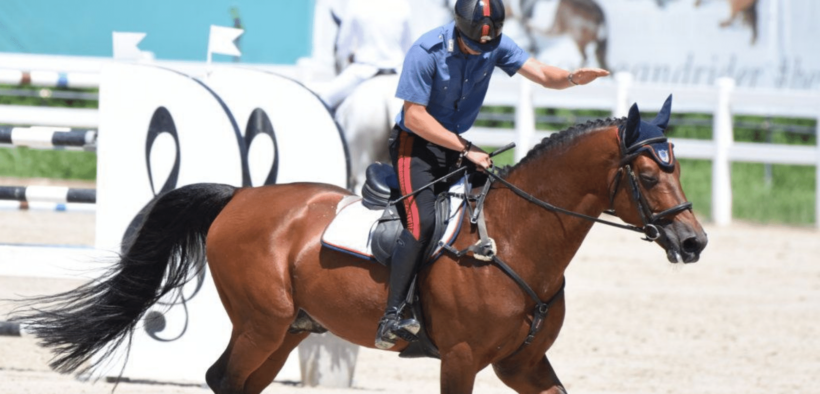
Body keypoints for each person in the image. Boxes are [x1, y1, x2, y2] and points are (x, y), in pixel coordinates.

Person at [374, 0, 610, 350]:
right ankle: (392, 315)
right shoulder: (426, 51)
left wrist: (572, 78)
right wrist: (466, 148)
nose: (480, 51)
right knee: (422, 221)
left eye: (487, 45)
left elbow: (542, 73)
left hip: (455, 145)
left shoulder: (495, 44)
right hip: (416, 147)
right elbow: (414, 117)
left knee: (497, 204)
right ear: (458, 27)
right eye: (473, 44)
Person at [318, 0, 414, 111]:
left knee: (323, 100)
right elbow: (409, 47)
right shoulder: (402, 4)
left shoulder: (356, 4)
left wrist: (349, 56)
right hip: (398, 71)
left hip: (363, 70)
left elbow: (343, 45)